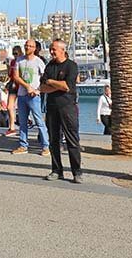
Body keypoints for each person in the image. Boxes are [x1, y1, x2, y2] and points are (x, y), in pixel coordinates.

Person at [40, 40, 82, 183]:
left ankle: (77, 172)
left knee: (72, 140)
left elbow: (67, 86)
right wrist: (56, 84)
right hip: (52, 108)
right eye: (51, 49)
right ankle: (56, 170)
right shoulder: (49, 66)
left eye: (54, 49)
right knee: (53, 140)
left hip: (68, 107)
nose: (52, 52)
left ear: (63, 50)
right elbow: (42, 87)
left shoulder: (71, 66)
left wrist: (51, 82)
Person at [12, 39, 50, 156]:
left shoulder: (38, 62)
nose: (27, 48)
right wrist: (27, 86)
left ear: (34, 48)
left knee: (39, 121)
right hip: (22, 95)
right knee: (22, 122)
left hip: (34, 96)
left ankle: (46, 146)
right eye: (26, 45)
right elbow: (16, 76)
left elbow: (45, 78)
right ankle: (23, 145)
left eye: (30, 46)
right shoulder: (19, 60)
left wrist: (37, 90)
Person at [4, 45, 21, 137]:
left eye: (17, 53)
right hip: (13, 86)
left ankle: (23, 126)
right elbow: (10, 74)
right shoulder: (13, 62)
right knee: (10, 107)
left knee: (22, 108)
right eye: (14, 53)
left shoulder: (22, 61)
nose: (15, 55)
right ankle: (12, 127)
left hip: (20, 86)